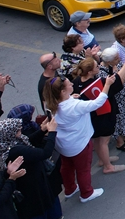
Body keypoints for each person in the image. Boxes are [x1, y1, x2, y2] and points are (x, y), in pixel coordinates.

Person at [42, 69, 121, 203]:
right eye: (69, 85)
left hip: (62, 144)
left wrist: (70, 97)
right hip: (79, 144)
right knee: (83, 169)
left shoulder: (50, 104)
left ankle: (70, 188)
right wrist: (107, 84)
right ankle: (86, 193)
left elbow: (65, 105)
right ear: (62, 92)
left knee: (66, 167)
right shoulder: (74, 106)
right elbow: (97, 103)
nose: (72, 85)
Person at [0, 116, 62, 219]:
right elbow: (45, 153)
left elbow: (29, 140)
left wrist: (42, 130)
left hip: (28, 186)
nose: (20, 128)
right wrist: (52, 133)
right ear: (10, 133)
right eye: (17, 129)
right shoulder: (17, 151)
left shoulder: (5, 145)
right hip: (33, 189)